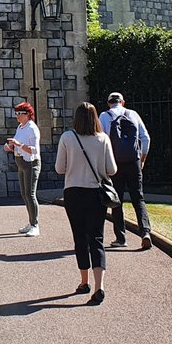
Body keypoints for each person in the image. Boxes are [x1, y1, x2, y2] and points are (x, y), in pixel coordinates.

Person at [54, 102, 117, 306]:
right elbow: (112, 169)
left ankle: (84, 282)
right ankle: (100, 286)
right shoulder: (103, 139)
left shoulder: (67, 138)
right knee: (97, 238)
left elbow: (59, 168)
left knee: (79, 237)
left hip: (73, 191)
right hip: (96, 194)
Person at [99, 92, 153, 251]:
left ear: (109, 103)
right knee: (138, 198)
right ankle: (145, 232)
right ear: (123, 102)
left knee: (116, 200)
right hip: (134, 161)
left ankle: (121, 238)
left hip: (116, 162)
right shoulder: (133, 114)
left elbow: (102, 140)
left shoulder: (104, 116)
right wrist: (142, 158)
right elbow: (145, 138)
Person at [3, 101, 41, 236]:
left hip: (30, 163)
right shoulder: (21, 127)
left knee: (30, 194)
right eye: (16, 113)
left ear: (28, 114)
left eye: (20, 113)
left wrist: (19, 144)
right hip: (20, 162)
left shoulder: (32, 128)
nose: (17, 116)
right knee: (24, 194)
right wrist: (11, 147)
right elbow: (16, 143)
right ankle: (31, 222)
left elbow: (35, 150)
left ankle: (35, 225)